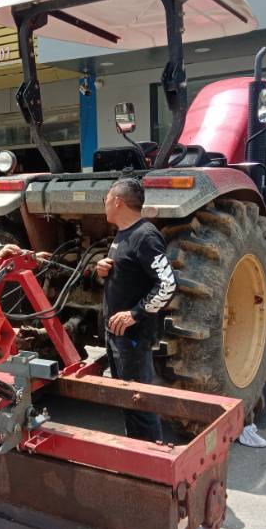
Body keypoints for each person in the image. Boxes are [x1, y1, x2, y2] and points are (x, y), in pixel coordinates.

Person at [95, 178, 177, 442]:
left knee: (139, 400)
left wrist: (134, 314)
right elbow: (130, 276)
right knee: (127, 399)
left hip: (132, 337)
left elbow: (167, 285)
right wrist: (103, 271)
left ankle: (152, 458)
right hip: (116, 335)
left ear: (117, 201)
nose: (104, 204)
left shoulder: (146, 235)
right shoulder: (123, 235)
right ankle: (135, 450)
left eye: (106, 198)